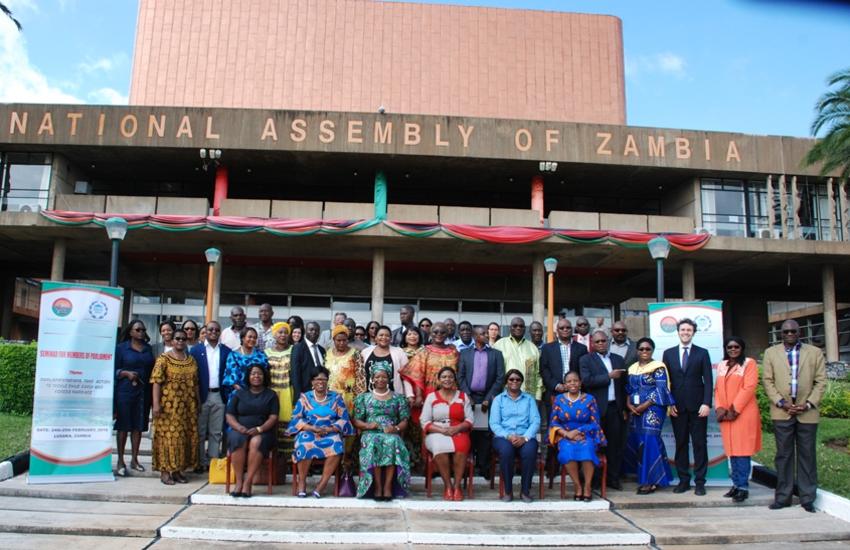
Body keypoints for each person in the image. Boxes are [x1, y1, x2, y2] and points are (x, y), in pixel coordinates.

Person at [762, 319, 826, 513]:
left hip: (807, 412)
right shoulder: (771, 353)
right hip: (782, 412)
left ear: (799, 333)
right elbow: (767, 381)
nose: (790, 334)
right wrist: (782, 403)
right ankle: (783, 497)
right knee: (784, 455)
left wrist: (807, 404)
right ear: (781, 334)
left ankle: (807, 498)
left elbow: (821, 381)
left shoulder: (814, 353)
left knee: (807, 455)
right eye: (786, 332)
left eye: (793, 331)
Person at [662, 318, 713, 496]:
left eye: (689, 330)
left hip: (698, 407)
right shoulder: (668, 354)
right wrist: (669, 404)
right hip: (677, 407)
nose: (685, 332)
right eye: (683, 329)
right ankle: (684, 481)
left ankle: (700, 482)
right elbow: (665, 383)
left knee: (700, 444)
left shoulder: (702, 353)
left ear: (693, 332)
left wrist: (707, 403)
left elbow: (708, 380)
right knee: (681, 444)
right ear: (678, 331)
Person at [287, 367, 355, 498]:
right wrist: (311, 428)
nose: (321, 382)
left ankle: (322, 485)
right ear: (312, 382)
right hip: (309, 431)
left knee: (337, 445)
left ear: (327, 381)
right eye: (317, 379)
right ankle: (302, 482)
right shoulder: (304, 398)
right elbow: (295, 418)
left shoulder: (336, 397)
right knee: (304, 444)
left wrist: (331, 428)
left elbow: (344, 418)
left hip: (330, 431)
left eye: (324, 379)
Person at [623, 337, 675, 495]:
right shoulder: (632, 368)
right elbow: (628, 389)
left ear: (652, 350)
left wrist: (644, 406)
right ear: (637, 351)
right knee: (639, 441)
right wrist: (629, 404)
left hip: (653, 410)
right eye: (641, 349)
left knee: (650, 441)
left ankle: (650, 481)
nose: (644, 352)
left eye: (648, 349)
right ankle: (652, 476)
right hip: (636, 410)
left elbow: (661, 390)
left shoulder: (658, 367)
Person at [352, 365, 411, 500]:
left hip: (390, 432)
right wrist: (367, 425)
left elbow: (404, 421)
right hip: (370, 432)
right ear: (372, 379)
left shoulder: (398, 398)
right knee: (374, 442)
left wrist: (395, 428)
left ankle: (388, 487)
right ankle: (378, 487)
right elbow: (356, 420)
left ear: (389, 378)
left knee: (393, 441)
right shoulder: (364, 398)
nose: (380, 379)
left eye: (384, 376)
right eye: (377, 377)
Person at [715, 336, 762, 503]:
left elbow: (749, 387)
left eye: (736, 347)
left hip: (742, 414)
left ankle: (743, 487)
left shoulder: (749, 363)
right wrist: (720, 408)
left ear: (742, 348)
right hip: (726, 415)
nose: (733, 350)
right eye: (729, 347)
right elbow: (718, 389)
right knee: (732, 451)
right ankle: (735, 484)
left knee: (742, 451)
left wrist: (734, 410)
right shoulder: (722, 365)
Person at [579, 330, 626, 490]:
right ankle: (595, 480)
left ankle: (613, 478)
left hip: (615, 408)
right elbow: (586, 381)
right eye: (597, 341)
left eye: (603, 341)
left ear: (608, 341)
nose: (600, 344)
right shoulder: (586, 359)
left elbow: (624, 386)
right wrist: (609, 376)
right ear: (592, 343)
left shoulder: (618, 359)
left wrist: (625, 407)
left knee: (615, 445)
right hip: (596, 410)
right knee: (594, 445)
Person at [151, 328, 200, 485]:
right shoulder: (163, 359)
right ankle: (165, 472)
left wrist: (198, 402)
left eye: (183, 339)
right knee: (168, 439)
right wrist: (156, 404)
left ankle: (178, 471)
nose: (180, 341)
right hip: (168, 408)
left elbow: (196, 383)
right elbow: (156, 382)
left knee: (184, 438)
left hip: (187, 408)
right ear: (171, 341)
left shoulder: (191, 360)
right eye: (177, 338)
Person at [549, 371, 607, 501]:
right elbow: (553, 421)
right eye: (569, 381)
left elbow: (595, 422)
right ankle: (577, 486)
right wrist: (567, 434)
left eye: (575, 380)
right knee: (567, 451)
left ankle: (587, 486)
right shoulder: (559, 399)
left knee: (587, 450)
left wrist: (578, 431)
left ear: (580, 383)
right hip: (565, 436)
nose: (572, 383)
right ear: (565, 384)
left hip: (585, 435)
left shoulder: (589, 399)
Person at [225, 364, 279, 498]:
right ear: (248, 377)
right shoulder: (239, 393)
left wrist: (259, 429)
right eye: (253, 374)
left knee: (256, 442)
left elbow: (273, 417)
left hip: (263, 431)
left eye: (259, 374)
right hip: (241, 430)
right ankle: (239, 482)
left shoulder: (271, 395)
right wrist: (238, 427)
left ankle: (248, 482)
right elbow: (229, 415)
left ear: (264, 376)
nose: (256, 376)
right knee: (237, 439)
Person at [457, 325, 505, 479]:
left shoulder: (496, 354)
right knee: (469, 431)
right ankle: (466, 468)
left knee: (484, 434)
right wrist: (467, 395)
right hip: (469, 398)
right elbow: (460, 376)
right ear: (474, 335)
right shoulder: (464, 354)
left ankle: (483, 468)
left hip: (486, 398)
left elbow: (500, 377)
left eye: (486, 333)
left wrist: (488, 398)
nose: (486, 335)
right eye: (482, 333)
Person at [421, 367, 474, 501]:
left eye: (450, 377)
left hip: (458, 430)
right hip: (436, 431)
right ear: (439, 380)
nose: (447, 379)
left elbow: (470, 419)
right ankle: (448, 486)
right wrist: (442, 430)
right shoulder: (431, 397)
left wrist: (458, 428)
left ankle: (457, 487)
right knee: (440, 448)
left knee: (461, 448)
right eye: (444, 377)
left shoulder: (463, 396)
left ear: (454, 379)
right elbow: (424, 421)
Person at [490, 369, 540, 503]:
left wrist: (525, 437)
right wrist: (508, 436)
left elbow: (535, 421)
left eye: (518, 379)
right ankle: (508, 491)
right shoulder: (499, 400)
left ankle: (525, 491)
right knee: (506, 451)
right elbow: (494, 423)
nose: (514, 382)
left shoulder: (529, 399)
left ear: (521, 382)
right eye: (511, 379)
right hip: (503, 437)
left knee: (529, 451)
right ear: (506, 382)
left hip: (525, 436)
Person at [114, 319, 154, 477]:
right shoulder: (121, 348)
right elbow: (113, 369)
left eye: (143, 329)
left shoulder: (148, 349)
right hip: (125, 391)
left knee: (138, 425)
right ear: (130, 331)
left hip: (143, 392)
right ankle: (120, 461)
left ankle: (135, 459)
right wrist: (125, 373)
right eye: (138, 330)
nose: (141, 332)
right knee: (124, 426)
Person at [190, 320, 231, 473]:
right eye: (210, 329)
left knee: (216, 432)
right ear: (205, 331)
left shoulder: (226, 351)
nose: (213, 332)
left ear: (220, 332)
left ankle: (213, 463)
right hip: (202, 395)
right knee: (200, 431)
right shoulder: (195, 350)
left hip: (219, 396)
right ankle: (200, 461)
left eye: (216, 330)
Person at [400, 321, 460, 417]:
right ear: (431, 334)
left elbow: (459, 373)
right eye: (435, 332)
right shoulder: (424, 351)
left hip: (451, 392)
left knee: (449, 420)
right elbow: (417, 375)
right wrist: (419, 396)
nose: (439, 334)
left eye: (442, 332)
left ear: (447, 334)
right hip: (429, 393)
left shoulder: (454, 351)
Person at [540, 318, 588, 404]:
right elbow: (544, 370)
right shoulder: (547, 348)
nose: (565, 329)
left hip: (576, 393)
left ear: (572, 329)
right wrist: (556, 385)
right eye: (562, 328)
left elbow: (584, 370)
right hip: (554, 393)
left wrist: (576, 385)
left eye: (568, 327)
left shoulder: (582, 349)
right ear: (557, 331)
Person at [265, 322, 295, 458]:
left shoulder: (294, 350)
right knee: (273, 423)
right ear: (274, 334)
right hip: (272, 393)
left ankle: (289, 460)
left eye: (285, 332)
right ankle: (275, 459)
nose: (283, 335)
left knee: (289, 423)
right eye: (280, 332)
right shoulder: (266, 352)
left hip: (289, 392)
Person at [493, 317, 541, 400]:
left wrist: (538, 397)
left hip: (528, 396)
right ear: (510, 328)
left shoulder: (533, 348)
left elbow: (538, 374)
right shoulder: (499, 345)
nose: (518, 328)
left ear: (525, 329)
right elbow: (492, 372)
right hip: (504, 396)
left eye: (521, 326)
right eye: (515, 326)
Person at [361, 325, 413, 399]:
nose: (384, 338)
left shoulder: (399, 352)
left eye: (387, 335)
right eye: (381, 335)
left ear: (391, 338)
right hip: (368, 398)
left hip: (394, 398)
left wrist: (409, 395)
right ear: (375, 338)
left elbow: (407, 376)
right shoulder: (365, 352)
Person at [325, 324, 366, 413]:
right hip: (329, 397)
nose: (342, 343)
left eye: (344, 340)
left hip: (348, 398)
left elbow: (361, 379)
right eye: (338, 340)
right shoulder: (327, 353)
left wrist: (358, 400)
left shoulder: (355, 354)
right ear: (333, 340)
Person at [222, 326, 269, 404]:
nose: (252, 339)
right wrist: (246, 395)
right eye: (250, 337)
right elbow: (231, 379)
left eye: (254, 338)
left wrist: (256, 393)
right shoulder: (233, 355)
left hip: (259, 395)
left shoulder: (261, 355)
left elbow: (265, 376)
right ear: (243, 338)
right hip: (239, 395)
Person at [290, 321, 325, 401]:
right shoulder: (298, 348)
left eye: (316, 330)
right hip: (305, 395)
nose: (314, 332)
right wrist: (299, 397)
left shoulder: (322, 350)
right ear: (305, 331)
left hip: (321, 394)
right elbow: (295, 374)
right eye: (311, 330)